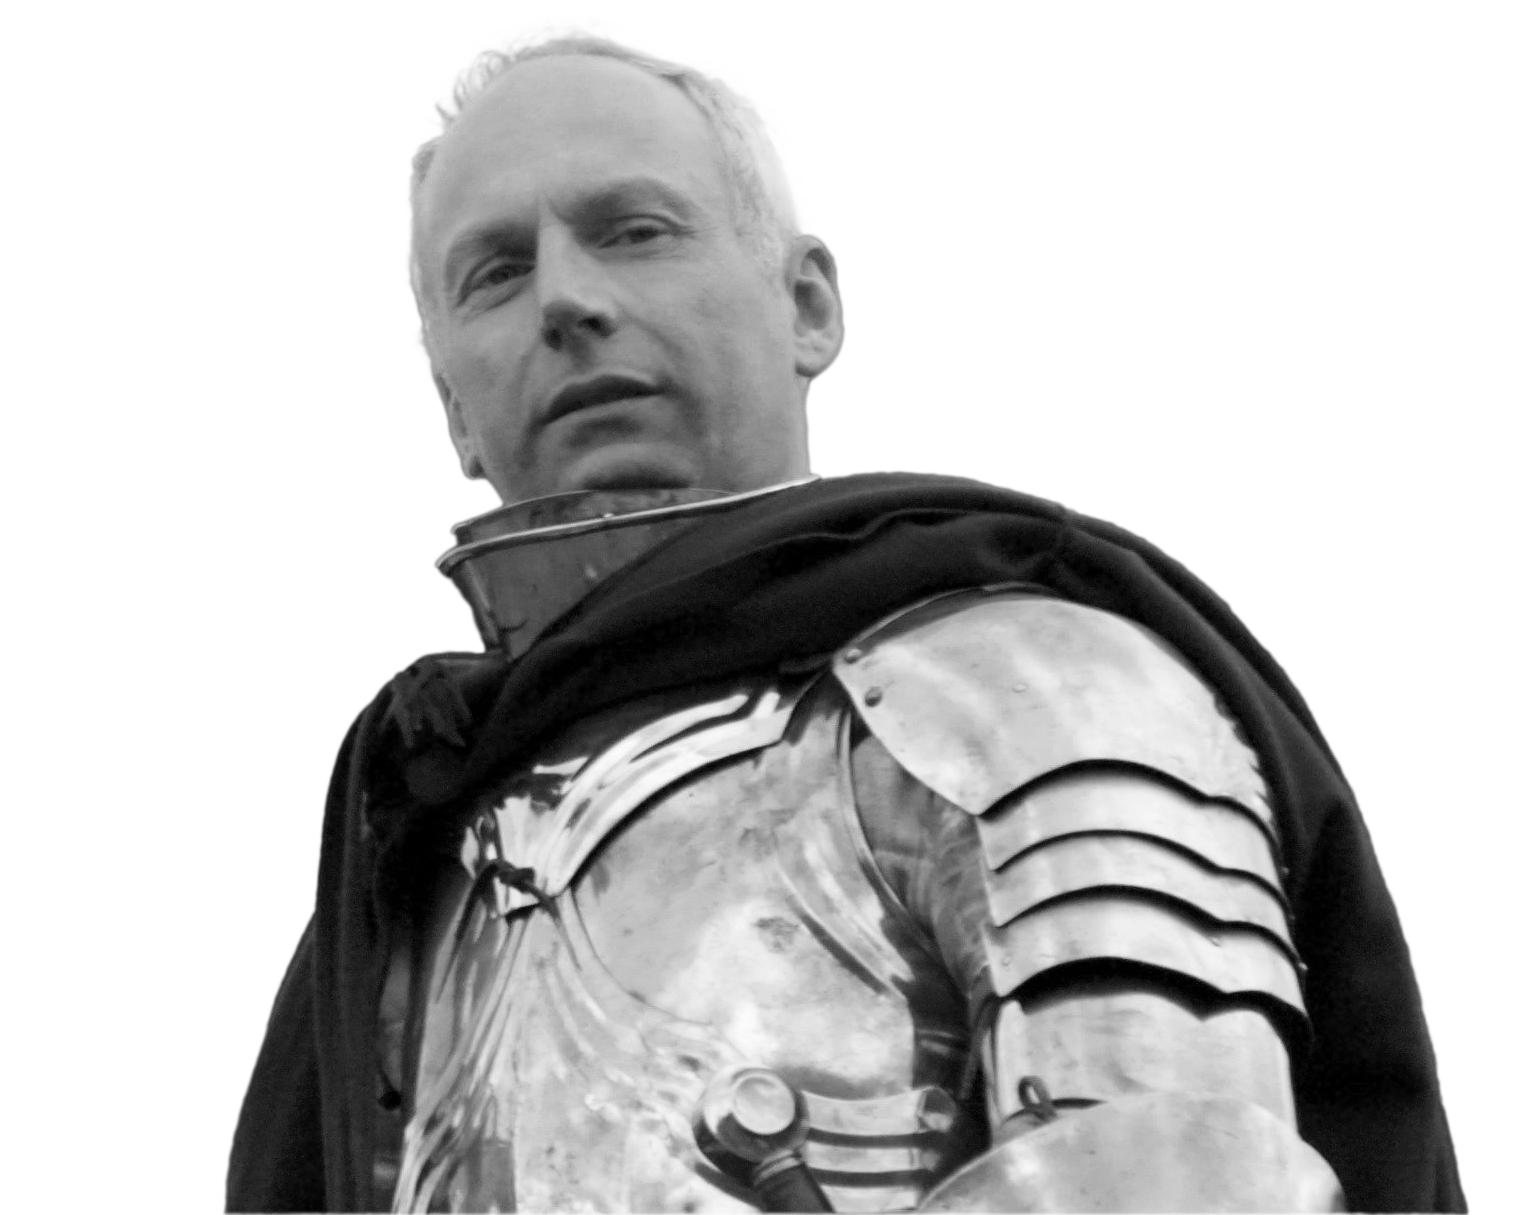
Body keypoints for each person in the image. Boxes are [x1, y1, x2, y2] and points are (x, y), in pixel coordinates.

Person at [223, 19, 1465, 1215]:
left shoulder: (1021, 699)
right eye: (496, 271)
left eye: (634, 231)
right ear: (445, 390)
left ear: (810, 309)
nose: (566, 298)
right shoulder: (397, 881)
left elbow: (1180, 1185)